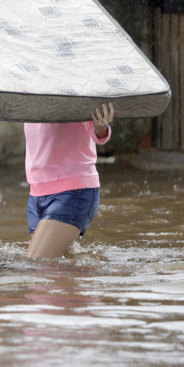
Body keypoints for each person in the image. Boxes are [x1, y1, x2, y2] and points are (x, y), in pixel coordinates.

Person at [23, 103, 115, 258]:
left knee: (36, 265)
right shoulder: (32, 91)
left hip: (73, 191)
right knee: (60, 267)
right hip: (36, 194)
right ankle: (103, 278)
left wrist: (101, 127)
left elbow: (97, 132)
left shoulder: (72, 89)